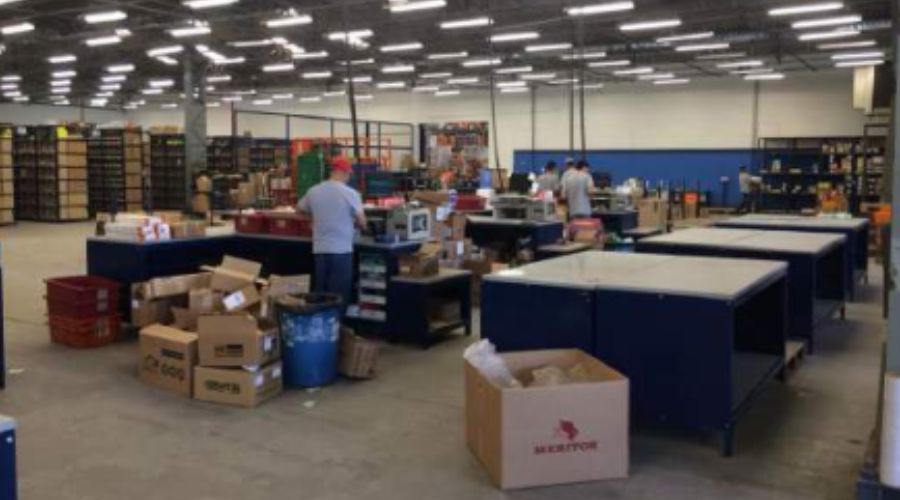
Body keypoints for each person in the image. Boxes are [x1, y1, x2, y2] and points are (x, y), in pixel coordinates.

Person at [296, 157, 366, 312]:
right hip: (341, 251)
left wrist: (313, 219)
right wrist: (356, 223)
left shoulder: (314, 191)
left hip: (320, 250)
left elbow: (299, 210)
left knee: (322, 294)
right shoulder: (350, 193)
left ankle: (322, 323)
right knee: (339, 296)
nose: (349, 178)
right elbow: (362, 222)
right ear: (345, 172)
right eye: (349, 175)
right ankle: (337, 324)